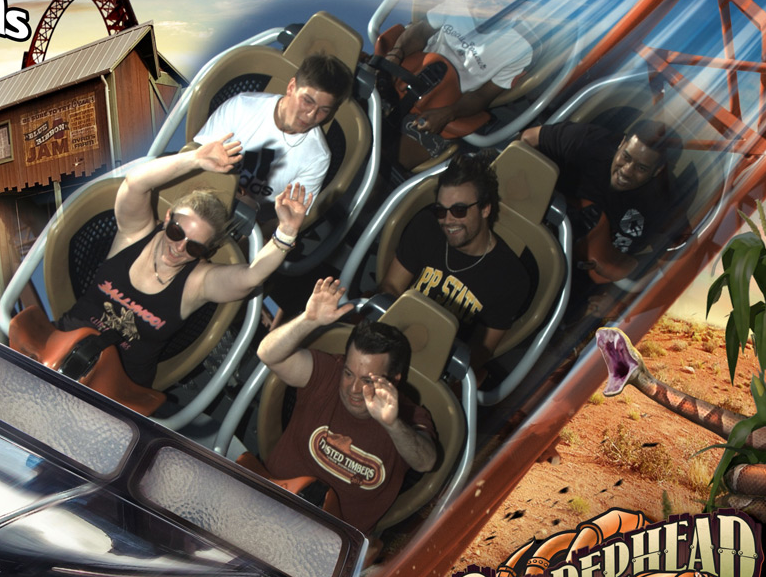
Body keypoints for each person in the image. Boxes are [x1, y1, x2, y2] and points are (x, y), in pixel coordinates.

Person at [55, 135, 310, 388]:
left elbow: (251, 277)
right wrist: (195, 159)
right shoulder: (135, 234)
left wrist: (286, 233)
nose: (178, 248)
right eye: (176, 232)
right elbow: (135, 183)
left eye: (194, 246)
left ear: (206, 251)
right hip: (60, 348)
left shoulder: (196, 282)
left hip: (116, 385)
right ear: (168, 218)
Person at [254, 278, 438, 534]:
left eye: (367, 380)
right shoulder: (328, 372)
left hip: (330, 537)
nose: (353, 389)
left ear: (393, 380)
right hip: (269, 501)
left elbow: (426, 461)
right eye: (349, 374)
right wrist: (309, 319)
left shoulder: (406, 414)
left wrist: (393, 424)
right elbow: (268, 354)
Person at [380, 152, 530, 380]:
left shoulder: (510, 277)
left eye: (459, 210)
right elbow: (391, 285)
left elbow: (481, 350)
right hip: (392, 339)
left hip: (437, 367)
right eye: (441, 210)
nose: (448, 220)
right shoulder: (426, 226)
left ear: (485, 209)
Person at [375, 0, 533, 157]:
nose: (481, 5)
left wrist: (448, 113)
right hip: (404, 78)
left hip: (440, 108)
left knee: (383, 158)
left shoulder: (520, 48)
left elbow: (482, 96)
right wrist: (394, 57)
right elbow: (421, 31)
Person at [520, 120, 673, 285]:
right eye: (626, 157)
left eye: (641, 168)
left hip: (586, 282)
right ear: (622, 143)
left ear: (657, 171)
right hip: (532, 236)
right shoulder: (587, 142)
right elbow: (526, 140)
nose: (626, 171)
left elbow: (672, 258)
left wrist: (614, 291)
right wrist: (537, 199)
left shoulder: (660, 204)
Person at [192, 53, 353, 207]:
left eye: (323, 110)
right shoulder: (241, 106)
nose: (311, 115)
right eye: (307, 101)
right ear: (291, 87)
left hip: (247, 220)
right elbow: (196, 162)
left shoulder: (318, 157)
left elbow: (286, 217)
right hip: (202, 192)